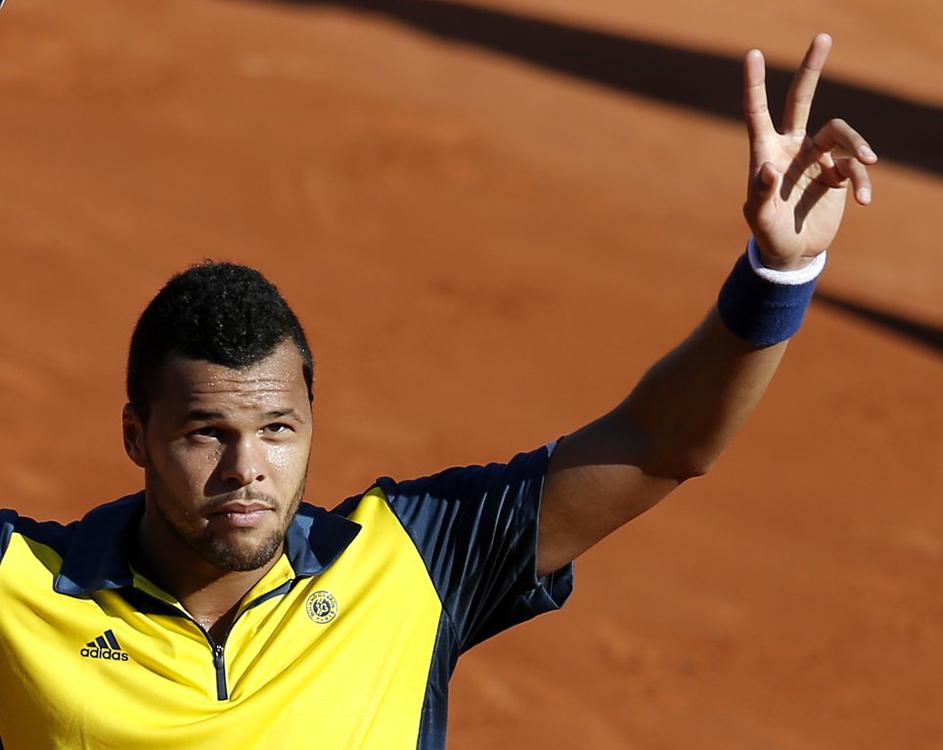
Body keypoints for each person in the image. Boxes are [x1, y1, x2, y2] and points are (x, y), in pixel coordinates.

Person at [0, 34, 875, 749]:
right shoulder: (19, 588)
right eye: (205, 432)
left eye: (276, 428)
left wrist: (777, 274)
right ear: (136, 435)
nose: (246, 468)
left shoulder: (408, 563)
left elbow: (659, 446)